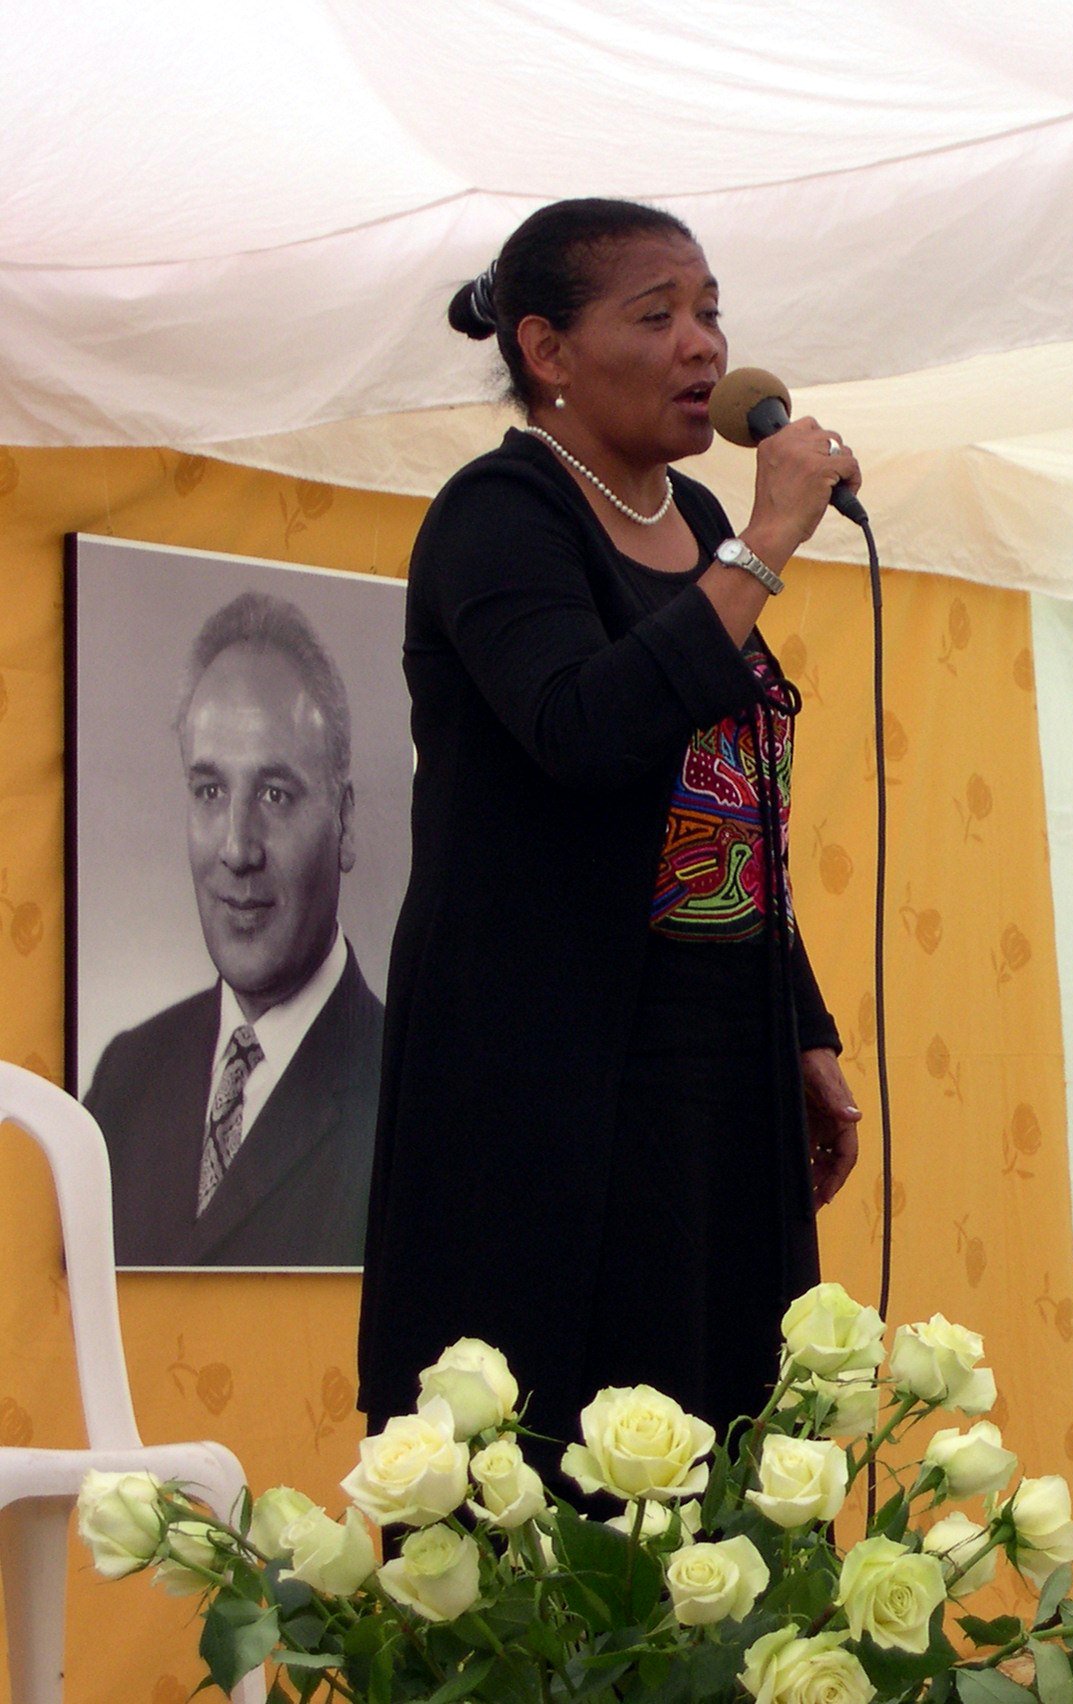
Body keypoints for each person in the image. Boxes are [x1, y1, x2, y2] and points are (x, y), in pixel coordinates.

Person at [356, 199, 862, 1437]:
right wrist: (770, 541)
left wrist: (798, 1024)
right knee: (549, 1436)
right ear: (548, 350)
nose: (703, 346)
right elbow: (583, 729)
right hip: (546, 1067)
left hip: (712, 1054)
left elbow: (725, 794)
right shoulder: (499, 515)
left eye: (710, 313)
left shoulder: (693, 528)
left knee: (723, 1424)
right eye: (659, 316)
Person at [86, 593, 383, 1268]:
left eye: (275, 794)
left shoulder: (408, 1090)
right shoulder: (123, 1081)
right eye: (210, 791)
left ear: (344, 822)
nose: (237, 848)